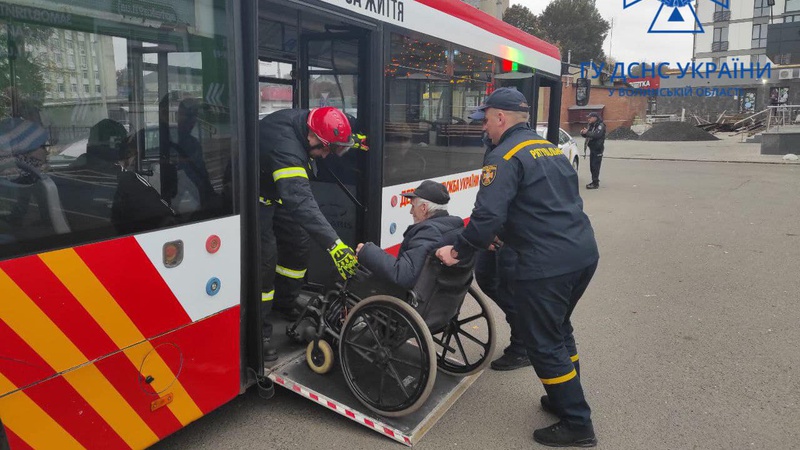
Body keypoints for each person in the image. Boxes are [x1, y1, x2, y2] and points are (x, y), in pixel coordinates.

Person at [435, 87, 600, 447]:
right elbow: (548, 201)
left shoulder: (504, 154)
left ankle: (576, 422)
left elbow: (487, 214)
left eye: (486, 120)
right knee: (559, 328)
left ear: (500, 118)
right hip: (582, 253)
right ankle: (561, 398)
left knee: (543, 341)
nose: (484, 129)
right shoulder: (548, 148)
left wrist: (459, 251)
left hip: (545, 263)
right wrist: (505, 232)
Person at [258, 106, 359, 361]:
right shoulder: (286, 146)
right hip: (253, 201)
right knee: (264, 263)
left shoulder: (311, 124)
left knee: (298, 245)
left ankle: (286, 302)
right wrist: (335, 245)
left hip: (276, 195)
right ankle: (258, 334)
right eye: (325, 148)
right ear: (312, 136)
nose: (325, 155)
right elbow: (299, 200)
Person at [356, 180, 463, 290]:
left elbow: (403, 275)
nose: (411, 212)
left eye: (412, 206)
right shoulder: (455, 228)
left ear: (424, 208)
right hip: (437, 295)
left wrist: (366, 251)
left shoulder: (429, 233)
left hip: (408, 298)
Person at [111, 133, 176, 234]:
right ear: (130, 154)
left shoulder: (87, 170)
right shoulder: (130, 180)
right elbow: (166, 214)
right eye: (135, 155)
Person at [580, 112, 605, 190]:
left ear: (595, 118)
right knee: (592, 166)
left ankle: (595, 183)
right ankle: (594, 181)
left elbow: (597, 135)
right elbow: (589, 134)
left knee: (595, 166)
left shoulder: (600, 125)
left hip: (598, 148)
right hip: (592, 148)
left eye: (590, 118)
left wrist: (587, 132)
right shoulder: (591, 125)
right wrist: (583, 133)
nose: (588, 119)